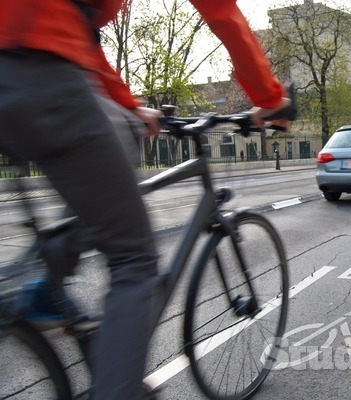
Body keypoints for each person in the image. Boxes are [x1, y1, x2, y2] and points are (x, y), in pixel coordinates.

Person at [0, 2, 291, 399]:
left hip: (25, 69)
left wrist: (129, 104)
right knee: (135, 261)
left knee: (122, 130)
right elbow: (222, 13)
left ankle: (49, 283)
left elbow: (76, 30)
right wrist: (269, 96)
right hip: (42, 73)